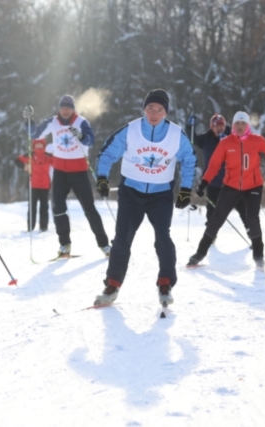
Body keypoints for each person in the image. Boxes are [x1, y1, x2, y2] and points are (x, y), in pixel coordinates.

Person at [92, 89, 197, 307]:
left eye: (160, 110)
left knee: (162, 238)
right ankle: (112, 285)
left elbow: (189, 159)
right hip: (131, 193)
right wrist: (101, 177)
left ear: (165, 112)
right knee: (122, 240)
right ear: (144, 108)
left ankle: (165, 284)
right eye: (150, 108)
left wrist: (186, 189)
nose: (154, 113)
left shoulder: (176, 134)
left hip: (161, 195)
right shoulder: (130, 130)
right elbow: (107, 153)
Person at [187, 111, 265, 268]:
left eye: (243, 123)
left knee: (252, 219)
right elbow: (214, 165)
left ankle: (258, 256)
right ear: (233, 125)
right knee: (216, 218)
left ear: (247, 125)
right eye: (237, 123)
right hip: (231, 186)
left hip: (253, 186)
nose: (240, 126)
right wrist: (204, 183)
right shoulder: (225, 143)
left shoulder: (257, 140)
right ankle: (199, 253)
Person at [23, 95, 110, 258]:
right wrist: (29, 120)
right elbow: (34, 134)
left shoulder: (81, 122)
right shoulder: (53, 121)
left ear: (73, 109)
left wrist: (81, 136)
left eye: (68, 107)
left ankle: (105, 245)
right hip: (60, 173)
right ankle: (64, 245)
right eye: (63, 107)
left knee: (89, 209)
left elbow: (91, 140)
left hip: (79, 172)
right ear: (59, 108)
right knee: (58, 209)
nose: (65, 110)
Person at [186, 113, 247, 234]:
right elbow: (193, 140)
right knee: (211, 213)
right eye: (216, 125)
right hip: (213, 182)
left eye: (222, 125)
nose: (219, 128)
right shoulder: (206, 139)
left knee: (244, 210)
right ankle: (211, 235)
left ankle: (252, 233)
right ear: (211, 126)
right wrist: (190, 126)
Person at [15, 138, 52, 232]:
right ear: (33, 145)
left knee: (44, 207)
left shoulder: (48, 156)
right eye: (37, 144)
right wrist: (24, 166)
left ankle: (43, 227)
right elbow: (17, 160)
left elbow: (58, 163)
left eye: (41, 144)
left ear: (44, 146)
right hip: (33, 185)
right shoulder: (29, 155)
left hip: (45, 185)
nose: (39, 146)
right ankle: (30, 228)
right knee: (32, 207)